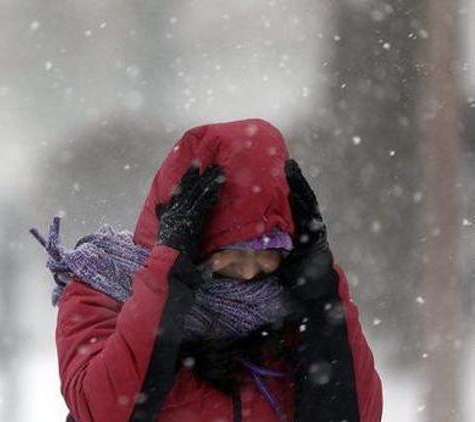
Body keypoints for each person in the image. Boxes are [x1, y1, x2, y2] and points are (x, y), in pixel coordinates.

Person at [31, 118, 383, 421]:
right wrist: (167, 281)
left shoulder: (295, 307)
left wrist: (322, 293)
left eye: (267, 251)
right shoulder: (103, 288)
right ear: (193, 240)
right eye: (230, 251)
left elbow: (354, 414)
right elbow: (104, 411)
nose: (248, 272)